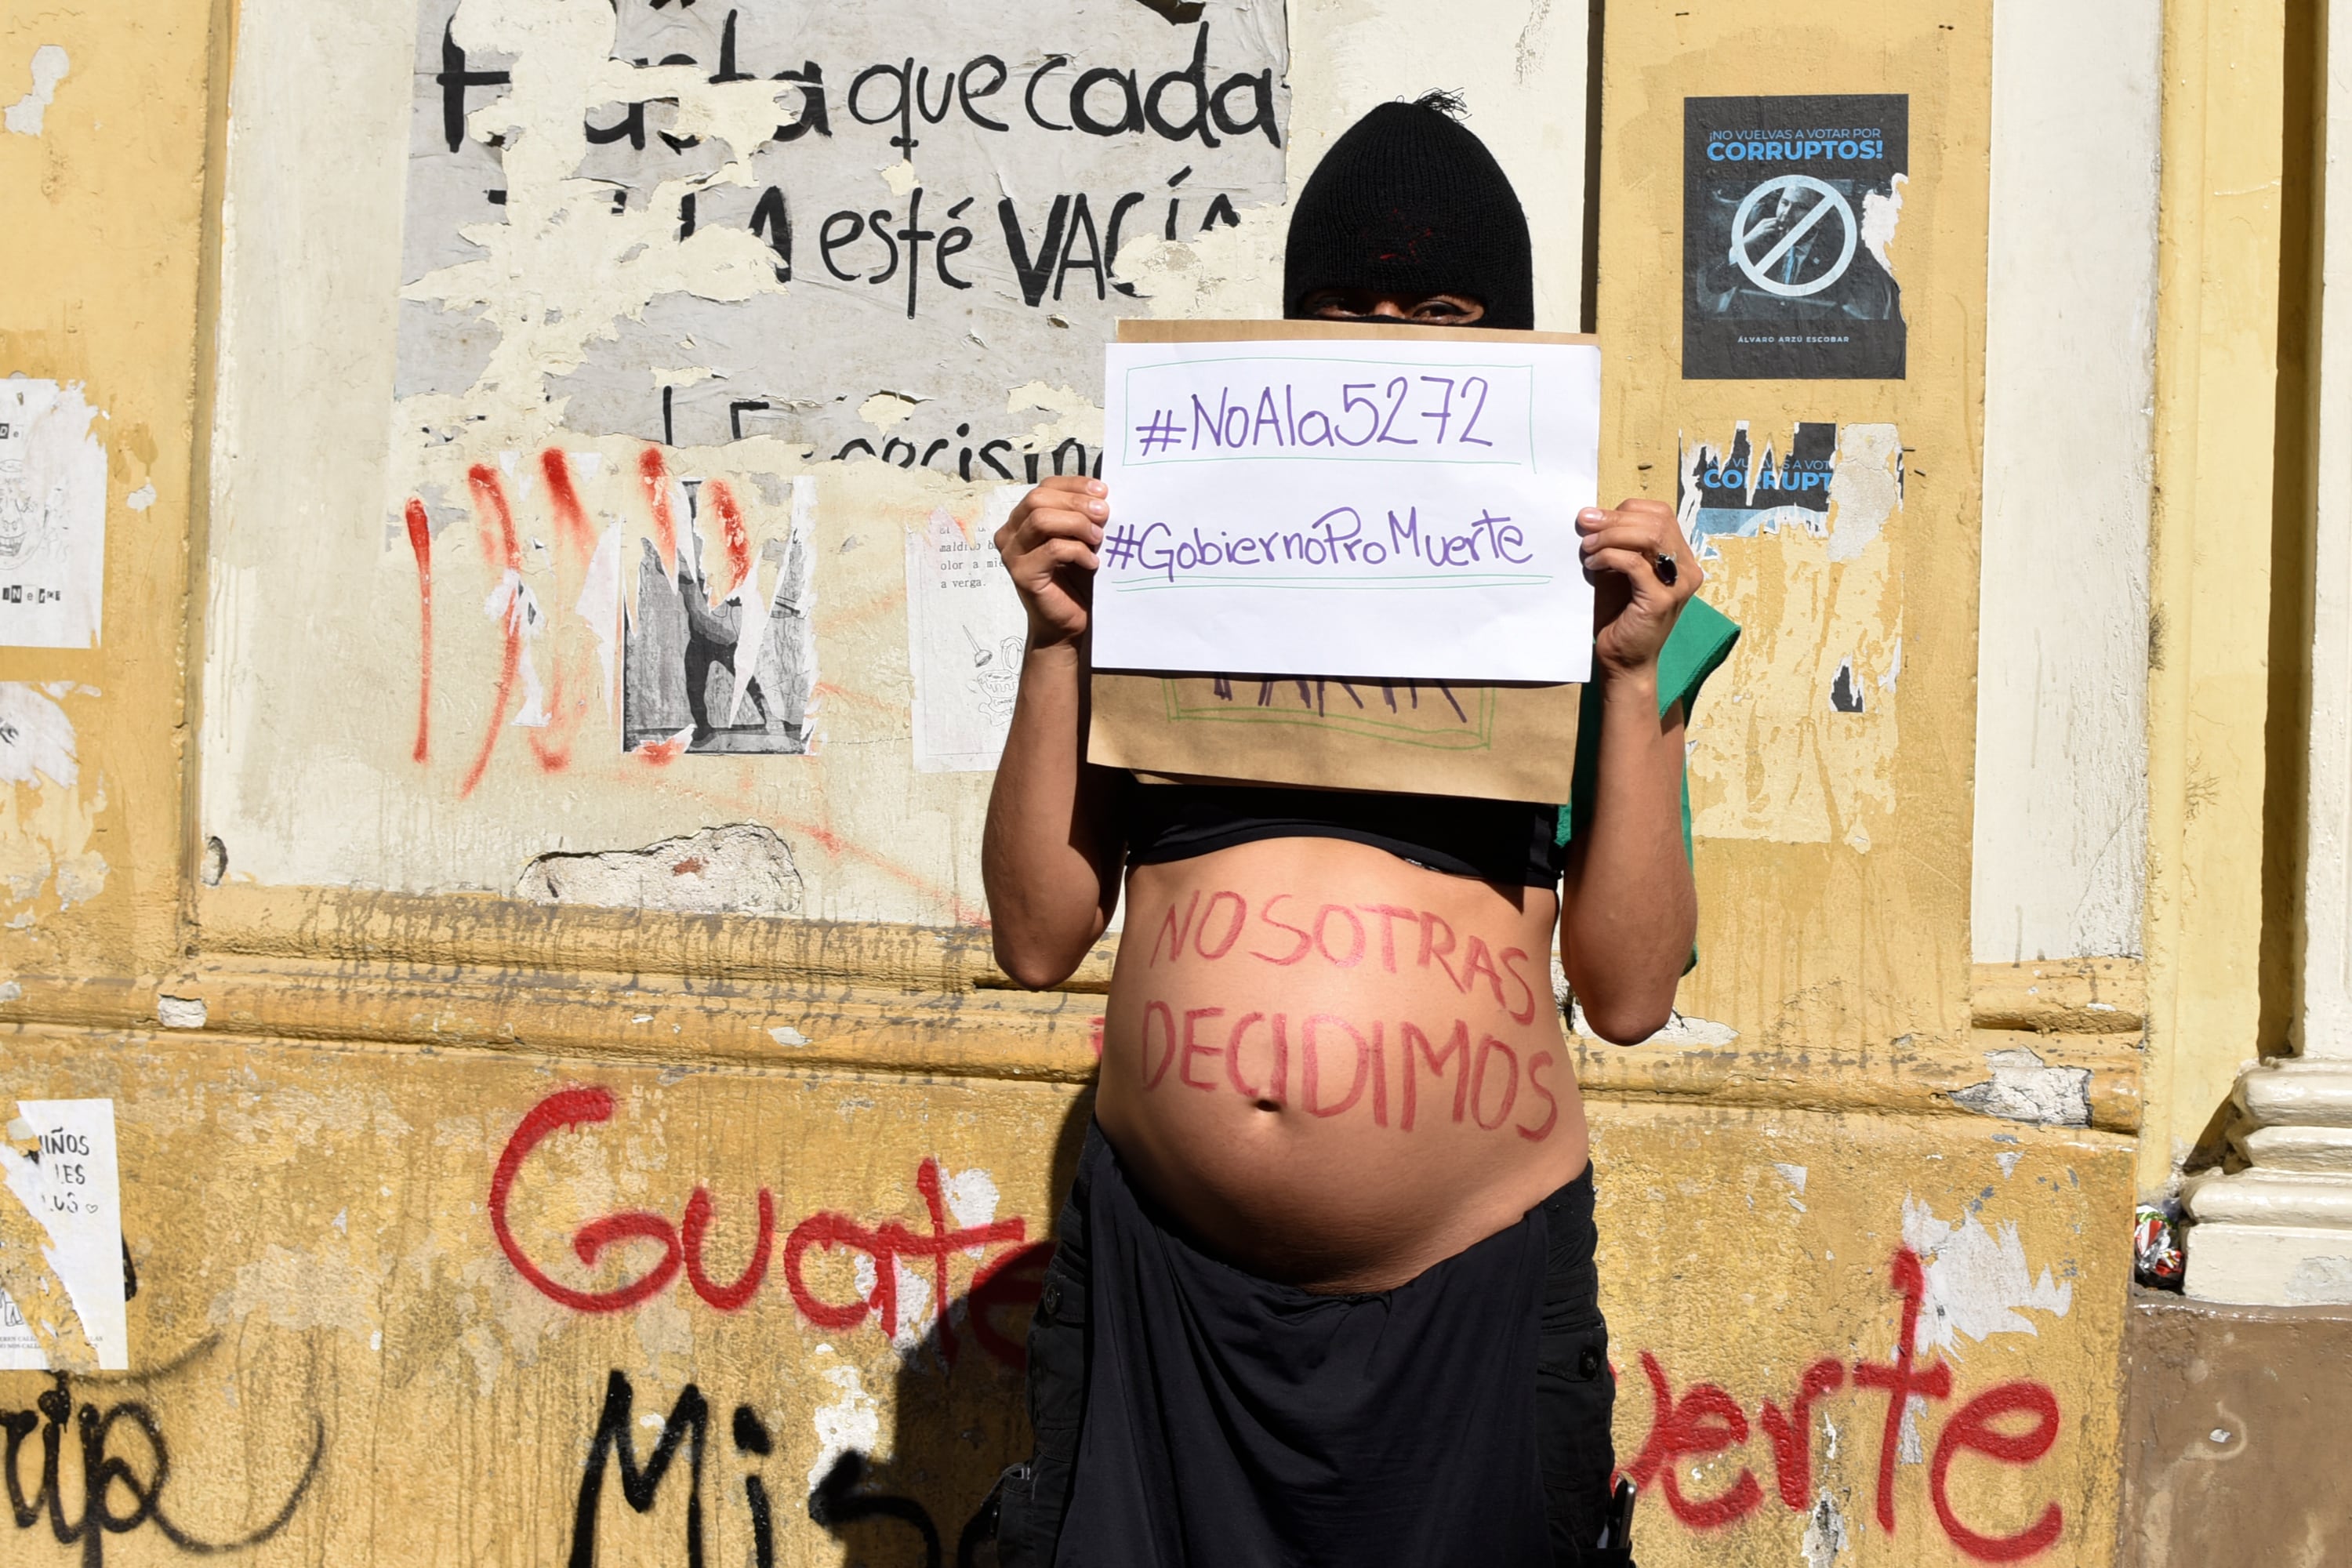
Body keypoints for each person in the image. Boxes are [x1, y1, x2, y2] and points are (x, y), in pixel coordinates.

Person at [982, 93, 1738, 1568]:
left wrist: (1632, 676)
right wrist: (1056, 642)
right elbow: (1035, 938)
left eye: (1442, 314)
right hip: (1164, 1307)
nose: (1391, 349)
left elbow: (1634, 993)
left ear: (1509, 345)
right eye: (1344, 311)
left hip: (1472, 1308)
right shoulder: (1168, 574)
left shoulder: (1598, 608)